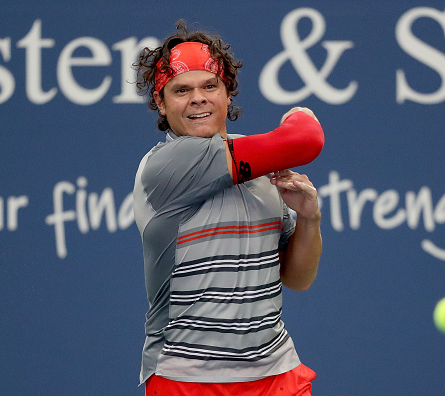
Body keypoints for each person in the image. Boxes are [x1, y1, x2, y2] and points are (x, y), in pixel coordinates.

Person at [133, 20, 324, 395]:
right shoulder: (166, 165)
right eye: (181, 90)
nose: (198, 98)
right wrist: (298, 115)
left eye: (210, 85)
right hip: (187, 379)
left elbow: (297, 279)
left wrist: (308, 218)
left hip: (277, 375)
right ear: (160, 101)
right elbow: (307, 138)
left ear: (227, 93)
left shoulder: (261, 169)